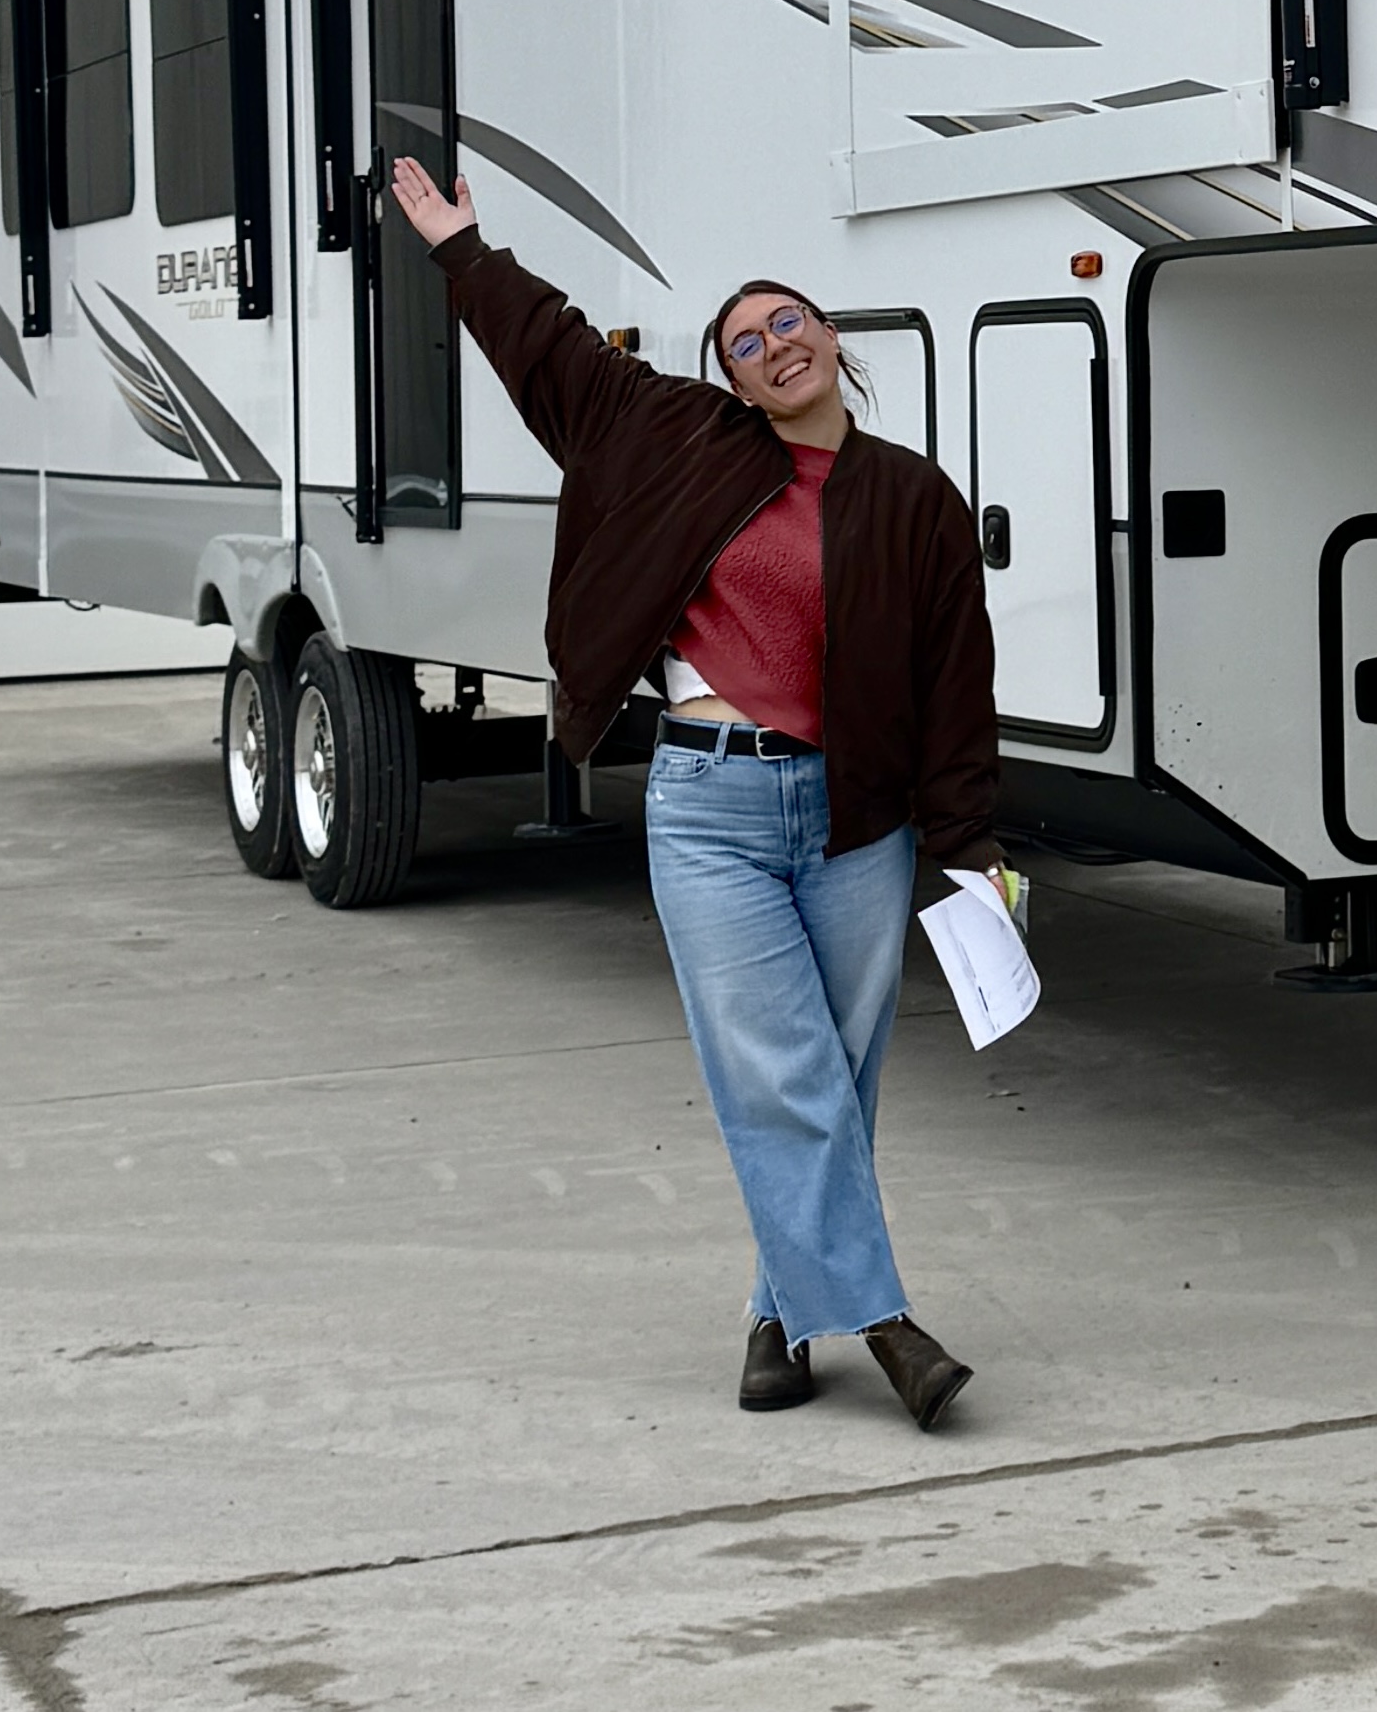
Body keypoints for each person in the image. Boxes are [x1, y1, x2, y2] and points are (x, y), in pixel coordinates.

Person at [384, 152, 999, 1429]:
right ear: (731, 382)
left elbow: (955, 679)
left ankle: (781, 1315)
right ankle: (888, 1329)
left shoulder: (913, 496)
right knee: (777, 1071)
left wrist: (970, 847)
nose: (775, 346)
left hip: (856, 819)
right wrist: (463, 251)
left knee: (836, 1078)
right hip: (710, 808)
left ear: (834, 337)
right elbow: (550, 354)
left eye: (790, 321)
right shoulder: (677, 440)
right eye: (745, 343)